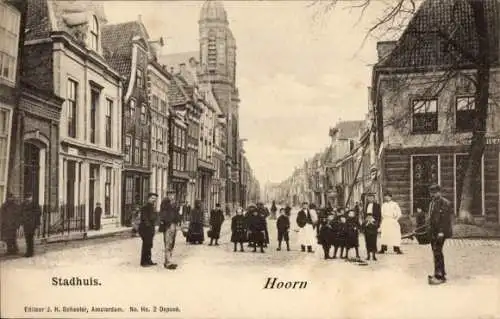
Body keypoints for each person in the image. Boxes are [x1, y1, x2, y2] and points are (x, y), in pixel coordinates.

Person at [427, 184, 453, 285]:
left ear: (439, 192)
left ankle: (439, 276)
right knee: (436, 251)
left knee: (437, 251)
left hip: (440, 232)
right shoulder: (432, 203)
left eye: (434, 192)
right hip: (433, 232)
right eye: (431, 193)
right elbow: (430, 217)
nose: (432, 195)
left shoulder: (445, 203)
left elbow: (445, 220)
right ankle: (440, 272)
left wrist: (441, 232)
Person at [159, 193, 180, 270]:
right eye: (170, 195)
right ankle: (168, 262)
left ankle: (168, 260)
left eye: (173, 195)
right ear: (167, 195)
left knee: (172, 243)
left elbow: (177, 214)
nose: (172, 196)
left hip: (173, 224)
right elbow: (163, 215)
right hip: (168, 225)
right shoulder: (165, 203)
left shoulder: (174, 203)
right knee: (168, 243)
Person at [139, 192, 158, 267]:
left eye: (155, 199)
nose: (154, 200)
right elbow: (144, 218)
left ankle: (149, 260)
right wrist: (149, 226)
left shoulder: (153, 207)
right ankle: (143, 262)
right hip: (145, 229)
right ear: (148, 199)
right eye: (152, 198)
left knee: (149, 245)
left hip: (150, 229)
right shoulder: (145, 207)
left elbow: (154, 217)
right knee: (146, 245)